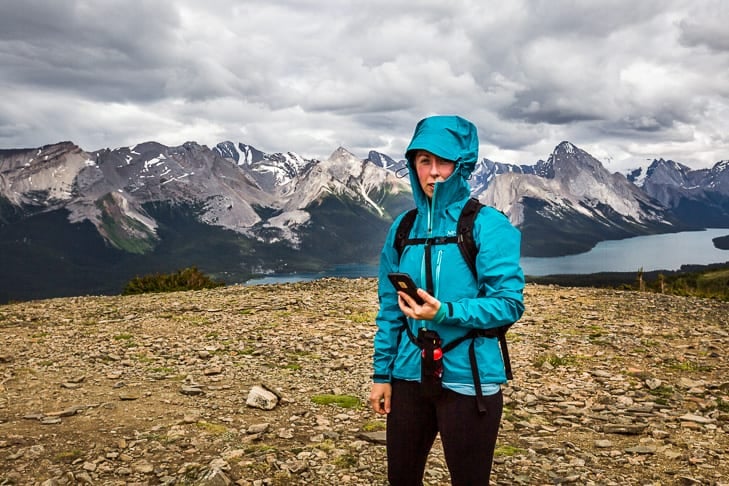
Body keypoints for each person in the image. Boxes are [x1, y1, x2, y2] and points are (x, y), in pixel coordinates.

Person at [369, 115, 525, 485]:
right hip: (407, 373)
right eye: (424, 161)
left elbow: (508, 303)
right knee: (401, 478)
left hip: (469, 378)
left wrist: (444, 311)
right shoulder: (403, 227)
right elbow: (390, 306)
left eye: (444, 161)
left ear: (462, 165)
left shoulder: (487, 225)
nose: (434, 172)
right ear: (413, 166)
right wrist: (380, 374)